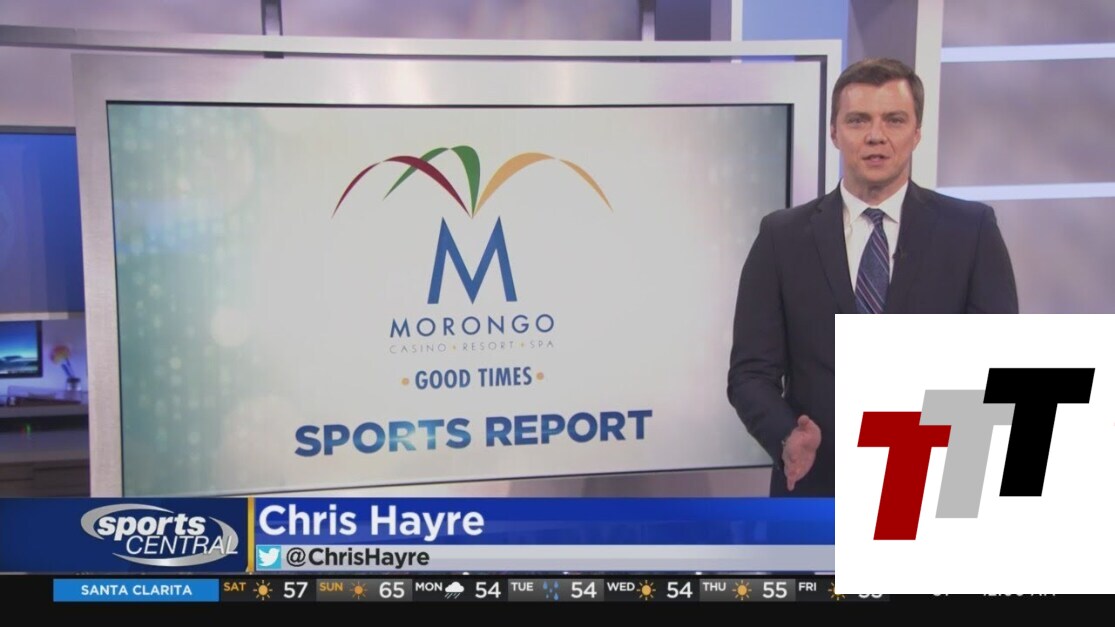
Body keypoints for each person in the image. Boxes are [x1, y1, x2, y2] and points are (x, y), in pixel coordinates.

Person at [727, 58, 1018, 497]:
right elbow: (750, 373)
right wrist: (787, 435)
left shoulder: (970, 231)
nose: (876, 136)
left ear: (916, 132)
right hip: (818, 486)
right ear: (834, 132)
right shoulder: (781, 237)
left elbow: (998, 362)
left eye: (894, 120)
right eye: (858, 120)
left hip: (934, 486)